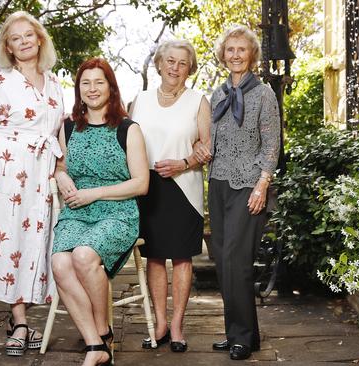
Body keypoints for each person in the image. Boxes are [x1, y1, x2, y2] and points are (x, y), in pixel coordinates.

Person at [0, 11, 64, 357]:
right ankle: (19, 321)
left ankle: (21, 318)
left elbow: (58, 131)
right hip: (4, 173)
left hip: (41, 173)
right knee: (9, 243)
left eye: (28, 35)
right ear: (8, 46)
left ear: (40, 39)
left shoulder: (54, 83)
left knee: (35, 242)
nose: (23, 42)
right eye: (15, 38)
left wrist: (61, 169)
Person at [51, 58, 149, 366]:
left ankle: (103, 331)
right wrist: (62, 176)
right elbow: (61, 166)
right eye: (85, 83)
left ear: (111, 87)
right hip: (77, 212)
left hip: (117, 211)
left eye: (99, 82)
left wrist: (95, 192)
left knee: (83, 255)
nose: (92, 89)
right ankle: (96, 344)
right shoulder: (68, 127)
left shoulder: (127, 129)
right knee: (59, 262)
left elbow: (141, 184)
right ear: (78, 89)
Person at [129, 39, 211, 353]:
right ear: (160, 64)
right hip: (146, 187)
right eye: (170, 61)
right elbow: (127, 142)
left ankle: (177, 325)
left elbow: (207, 147)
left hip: (183, 187)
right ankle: (160, 323)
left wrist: (184, 163)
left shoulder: (198, 100)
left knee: (181, 257)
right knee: (154, 256)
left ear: (189, 69)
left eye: (182, 63)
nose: (175, 68)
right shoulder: (141, 100)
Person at [205, 25, 280, 361]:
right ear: (223, 55)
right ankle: (241, 332)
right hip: (218, 184)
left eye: (242, 49)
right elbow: (210, 140)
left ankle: (242, 336)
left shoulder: (264, 94)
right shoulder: (217, 95)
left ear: (252, 55)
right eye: (230, 49)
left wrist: (263, 184)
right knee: (223, 261)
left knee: (238, 261)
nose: (235, 55)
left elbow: (272, 144)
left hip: (249, 185)